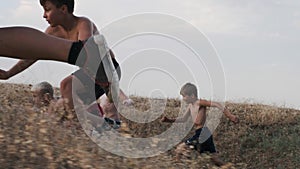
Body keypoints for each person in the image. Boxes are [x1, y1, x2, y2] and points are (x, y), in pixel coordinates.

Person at [0, 0, 121, 110]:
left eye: (47, 9)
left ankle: (98, 111)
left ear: (63, 9)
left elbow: (89, 55)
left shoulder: (83, 23)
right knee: (65, 95)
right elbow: (32, 55)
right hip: (91, 74)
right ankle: (81, 113)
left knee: (67, 86)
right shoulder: (52, 32)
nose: (44, 15)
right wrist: (9, 73)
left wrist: (115, 91)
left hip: (105, 69)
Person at [161, 82, 238, 166]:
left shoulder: (199, 102)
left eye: (184, 96)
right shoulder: (190, 106)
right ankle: (229, 167)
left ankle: (178, 166)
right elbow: (183, 119)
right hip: (204, 133)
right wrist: (169, 120)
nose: (183, 99)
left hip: (202, 133)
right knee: (216, 160)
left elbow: (216, 104)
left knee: (180, 149)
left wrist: (230, 115)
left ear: (192, 96)